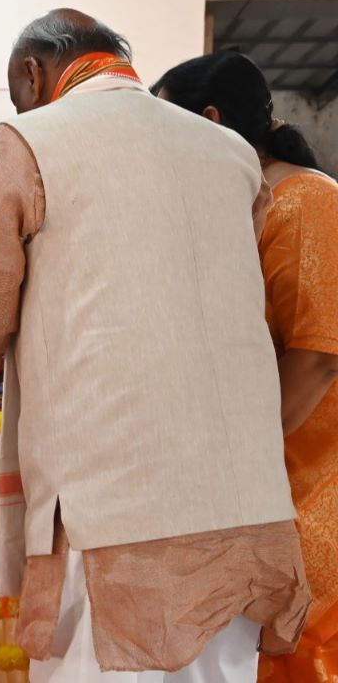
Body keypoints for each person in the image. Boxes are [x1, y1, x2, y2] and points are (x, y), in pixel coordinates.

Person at [0, 9, 310, 682]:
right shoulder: (232, 152)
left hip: (112, 512)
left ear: (32, 73)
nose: (21, 106)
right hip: (243, 510)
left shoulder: (27, 141)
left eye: (18, 92)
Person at [154, 51, 338, 682]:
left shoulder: (306, 202)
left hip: (310, 490)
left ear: (210, 122)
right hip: (261, 492)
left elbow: (318, 357)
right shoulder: (247, 206)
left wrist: (232, 461)